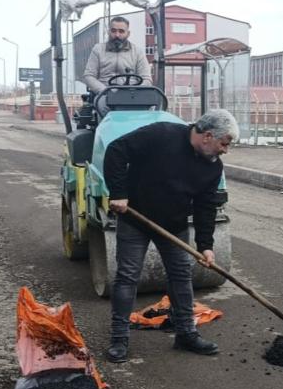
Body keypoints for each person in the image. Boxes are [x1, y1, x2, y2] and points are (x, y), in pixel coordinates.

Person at [102, 109, 238, 363]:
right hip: (136, 219)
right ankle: (119, 339)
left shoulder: (212, 167)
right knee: (128, 276)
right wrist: (118, 192)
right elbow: (117, 150)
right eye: (224, 143)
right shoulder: (161, 134)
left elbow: (205, 207)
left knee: (181, 275)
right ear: (208, 136)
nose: (225, 150)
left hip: (173, 225)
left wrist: (206, 246)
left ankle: (186, 333)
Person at [81, 16, 153, 93]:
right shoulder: (98, 49)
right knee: (103, 104)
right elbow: (89, 76)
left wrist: (134, 92)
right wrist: (104, 91)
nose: (117, 35)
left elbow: (146, 79)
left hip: (131, 95)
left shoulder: (137, 52)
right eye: (113, 31)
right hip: (104, 94)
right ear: (109, 32)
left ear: (128, 33)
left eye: (121, 31)